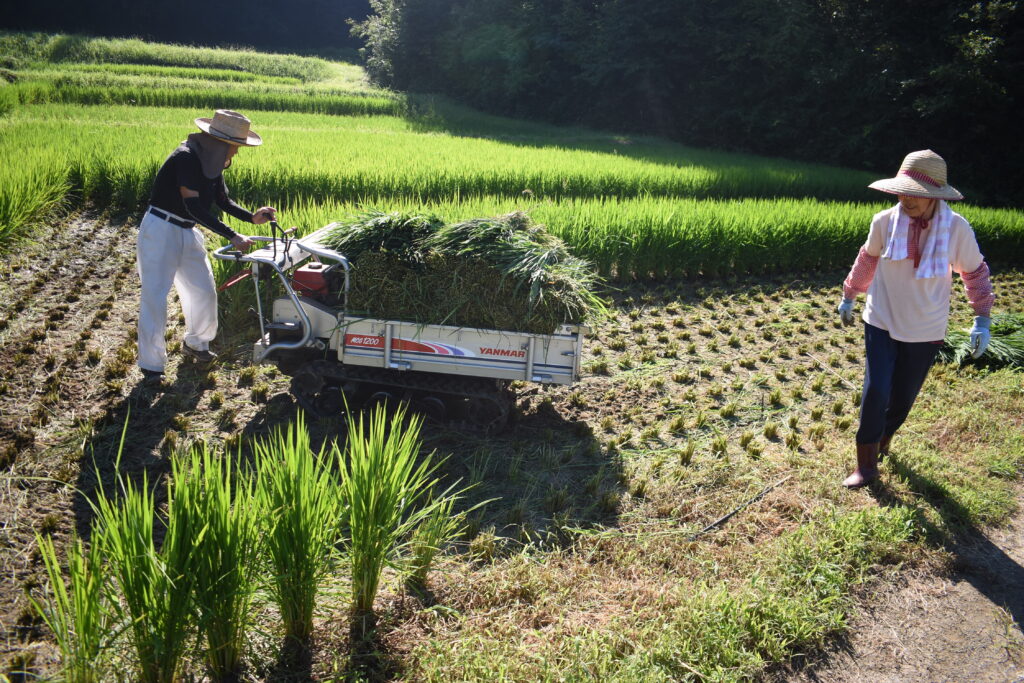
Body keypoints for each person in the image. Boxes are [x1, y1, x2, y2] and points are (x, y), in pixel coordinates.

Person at [837, 149, 995, 488]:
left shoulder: (955, 229)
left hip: (926, 327)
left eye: (916, 194)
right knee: (876, 389)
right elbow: (868, 260)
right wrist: (850, 295)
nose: (906, 199)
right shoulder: (884, 221)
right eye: (902, 190)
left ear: (934, 197)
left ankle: (884, 439)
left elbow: (975, 273)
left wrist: (982, 318)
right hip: (880, 318)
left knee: (902, 398)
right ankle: (865, 465)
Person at [137, 109, 277, 380]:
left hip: (186, 230)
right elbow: (193, 206)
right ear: (219, 142)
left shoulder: (211, 161)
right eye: (235, 147)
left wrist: (252, 217)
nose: (235, 153)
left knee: (203, 291)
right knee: (155, 297)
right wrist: (233, 236)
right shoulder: (186, 158)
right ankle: (151, 365)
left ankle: (196, 344)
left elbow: (222, 201)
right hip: (161, 229)